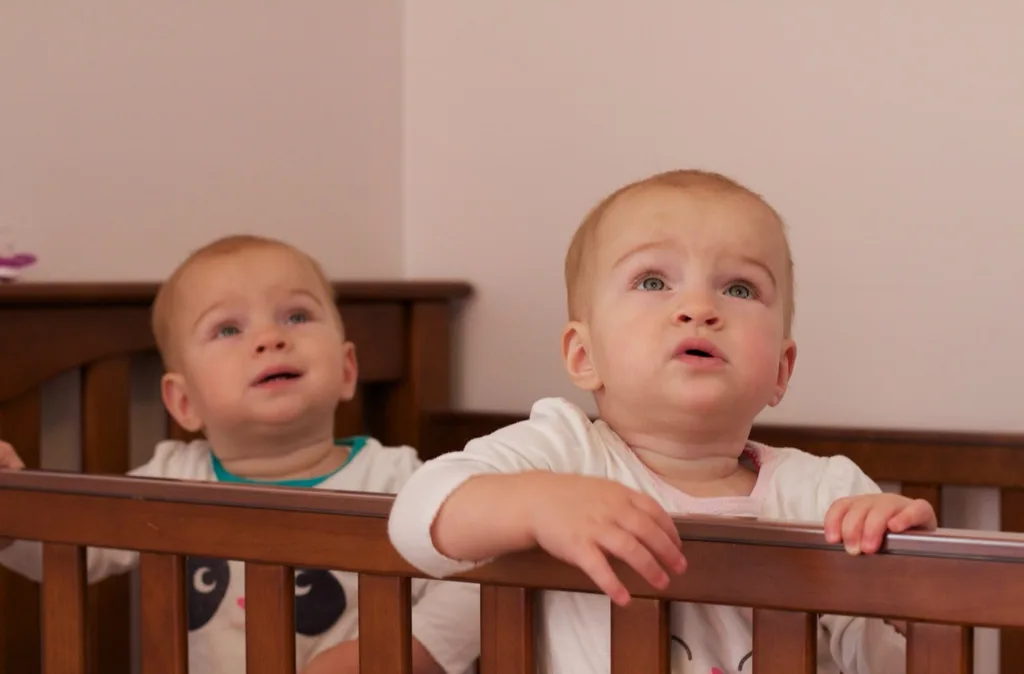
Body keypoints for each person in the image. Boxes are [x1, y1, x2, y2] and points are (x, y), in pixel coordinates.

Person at [387, 170, 936, 673]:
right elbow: (414, 517)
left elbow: (892, 663)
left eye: (739, 288)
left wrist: (907, 587)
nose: (699, 308)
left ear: (780, 370)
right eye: (653, 282)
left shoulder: (827, 497)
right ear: (584, 355)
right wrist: (535, 504)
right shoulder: (563, 455)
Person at [0, 234, 479, 674]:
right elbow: (70, 550)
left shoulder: (398, 480)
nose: (271, 338)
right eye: (228, 329)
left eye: (297, 316)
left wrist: (402, 651)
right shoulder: (171, 481)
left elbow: (479, 576)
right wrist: (13, 508)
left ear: (347, 369)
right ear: (184, 402)